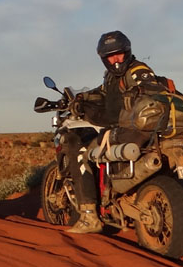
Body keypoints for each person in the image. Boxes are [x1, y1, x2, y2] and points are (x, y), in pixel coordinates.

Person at [64, 30, 167, 234]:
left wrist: (140, 92)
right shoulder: (112, 76)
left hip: (134, 129)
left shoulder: (137, 70)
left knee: (83, 152)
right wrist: (82, 97)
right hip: (131, 128)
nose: (116, 59)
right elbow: (103, 93)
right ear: (104, 58)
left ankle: (89, 215)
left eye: (119, 54)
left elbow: (151, 87)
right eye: (110, 56)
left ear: (127, 51)